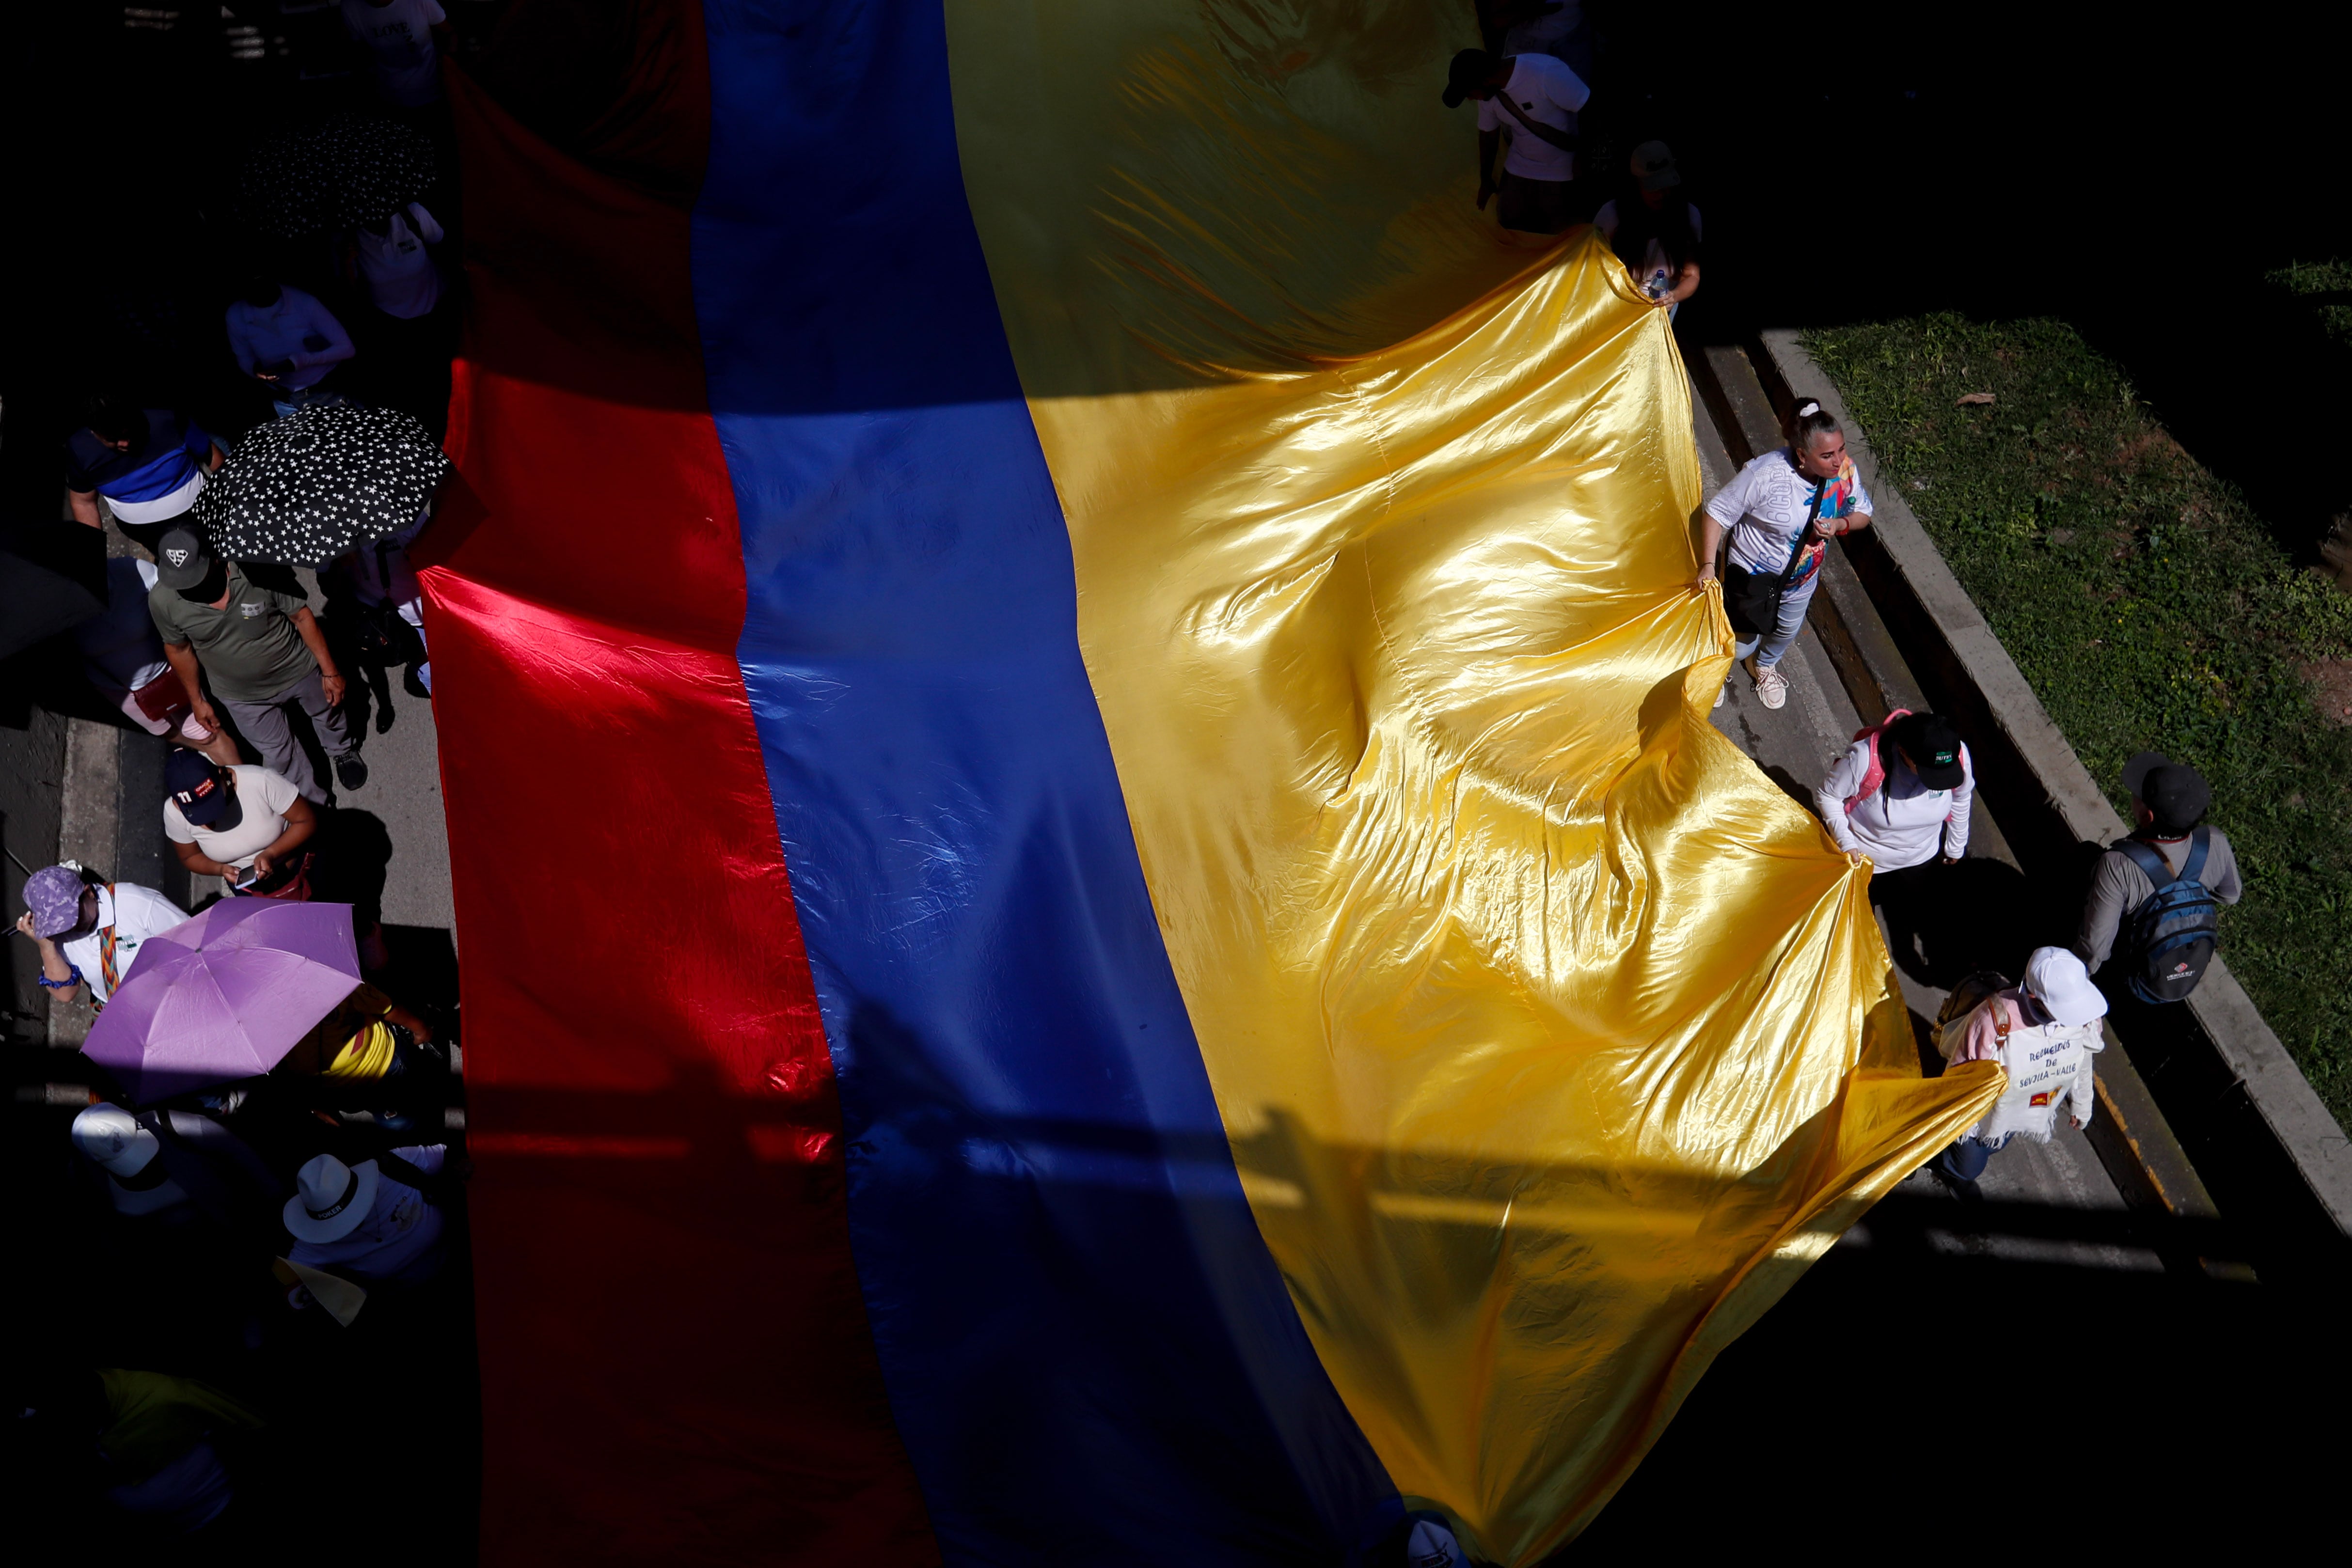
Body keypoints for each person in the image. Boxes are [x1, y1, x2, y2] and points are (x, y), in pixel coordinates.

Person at [147, 523, 367, 803]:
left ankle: (341, 749)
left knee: (328, 711)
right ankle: (315, 805)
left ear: (216, 557)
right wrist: (197, 700)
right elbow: (178, 649)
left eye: (195, 576)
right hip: (240, 695)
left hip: (296, 668)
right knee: (280, 755)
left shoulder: (258, 564)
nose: (188, 586)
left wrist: (330, 671)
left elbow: (300, 616)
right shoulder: (163, 599)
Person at [1697, 397, 1875, 710]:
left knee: (1785, 632)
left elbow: (1863, 513)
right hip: (1753, 579)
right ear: (1802, 455)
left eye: (1841, 449)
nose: (1838, 461)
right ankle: (1714, 666)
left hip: (1801, 584)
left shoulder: (1845, 472)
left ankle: (1763, 666)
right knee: (1740, 643)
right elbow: (1718, 513)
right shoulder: (1766, 474)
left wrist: (1840, 524)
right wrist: (1709, 565)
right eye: (1828, 455)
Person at [1929, 947, 2107, 1185]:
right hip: (1982, 1114)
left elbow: (2083, 1056)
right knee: (1969, 1166)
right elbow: (1961, 1076)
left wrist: (2082, 1104)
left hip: (2020, 1103)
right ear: (2035, 998)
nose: (2078, 1017)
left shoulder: (2081, 1015)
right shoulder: (1992, 1020)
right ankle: (1937, 1162)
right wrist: (1961, 1132)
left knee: (1996, 1145)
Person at [2076, 751, 2242, 1002]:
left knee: (2086, 857)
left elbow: (2095, 950)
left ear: (2148, 816)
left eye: (2138, 795)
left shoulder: (2119, 865)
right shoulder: (2215, 841)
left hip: (2133, 977)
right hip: (2180, 970)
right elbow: (2231, 896)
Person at [74, 556, 242, 767]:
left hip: (168, 672)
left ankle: (244, 781)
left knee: (208, 735)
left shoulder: (130, 571)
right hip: (119, 690)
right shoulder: (61, 611)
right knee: (166, 731)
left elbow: (171, 596)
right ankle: (205, 751)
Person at [1443, 48, 1592, 237]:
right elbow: (1488, 135)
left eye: (1469, 93)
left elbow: (1590, 108)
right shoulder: (1488, 95)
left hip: (1562, 167)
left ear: (1486, 81)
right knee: (1510, 228)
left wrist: (1583, 157)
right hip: (1519, 166)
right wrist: (1486, 179)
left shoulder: (1544, 73)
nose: (1470, 98)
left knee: (1559, 235)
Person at [63, 396, 226, 556]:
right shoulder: (80, 450)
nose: (125, 443)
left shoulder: (166, 416)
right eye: (113, 439)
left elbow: (211, 456)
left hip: (204, 515)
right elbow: (84, 502)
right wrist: (94, 555)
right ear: (94, 432)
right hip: (149, 536)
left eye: (127, 432)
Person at [13, 863, 188, 1011]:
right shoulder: (57, 935)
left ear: (88, 892)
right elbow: (66, 994)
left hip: (174, 999)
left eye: (72, 917)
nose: (70, 928)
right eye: (58, 923)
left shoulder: (136, 903)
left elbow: (193, 941)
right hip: (125, 1015)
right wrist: (46, 946)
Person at [1814, 709, 1973, 870]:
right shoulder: (1864, 759)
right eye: (1929, 770)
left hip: (1922, 859)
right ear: (1903, 751)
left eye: (1945, 772)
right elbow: (1829, 796)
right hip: (1864, 863)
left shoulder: (1957, 755)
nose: (1940, 778)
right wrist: (1846, 842)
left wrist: (1956, 845)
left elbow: (1962, 797)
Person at [163, 750, 318, 895]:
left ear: (221, 774)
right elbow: (190, 857)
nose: (210, 818)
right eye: (197, 810)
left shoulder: (260, 781)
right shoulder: (173, 813)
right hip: (250, 890)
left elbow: (306, 821)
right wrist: (220, 869)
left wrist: (271, 853)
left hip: (299, 869)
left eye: (213, 801)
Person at [284, 1148, 449, 1285]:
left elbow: (449, 1154)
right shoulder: (314, 1243)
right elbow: (291, 1286)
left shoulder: (393, 1167)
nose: (348, 1226)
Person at [1594, 141, 1701, 315]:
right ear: (1635, 186)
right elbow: (1593, 267)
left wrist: (1673, 297)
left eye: (1666, 186)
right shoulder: (1611, 215)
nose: (1662, 194)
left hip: (1662, 311)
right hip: (1618, 306)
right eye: (1654, 187)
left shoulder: (1690, 216)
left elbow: (1692, 275)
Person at [223, 279, 355, 418]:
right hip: (283, 397)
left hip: (323, 389)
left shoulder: (305, 303)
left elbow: (347, 349)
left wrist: (303, 361)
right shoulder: (236, 314)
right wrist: (256, 371)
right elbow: (244, 356)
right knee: (299, 433)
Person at [341, 0, 449, 109]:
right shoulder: (351, 7)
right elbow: (359, 51)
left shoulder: (420, 2)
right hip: (386, 97)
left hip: (431, 93)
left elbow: (448, 33)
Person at [350, 201, 447, 320]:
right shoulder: (350, 237)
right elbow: (352, 289)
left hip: (437, 304)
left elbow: (439, 241)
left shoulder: (412, 213)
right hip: (387, 320)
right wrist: (346, 261)